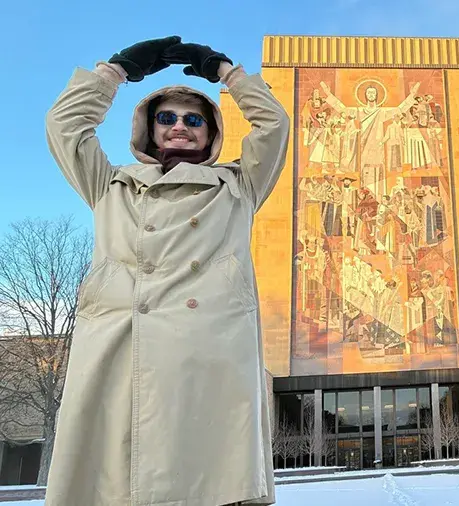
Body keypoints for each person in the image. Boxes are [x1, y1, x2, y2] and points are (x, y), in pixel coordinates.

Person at [44, 36, 290, 506]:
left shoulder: (239, 186)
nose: (180, 127)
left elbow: (274, 123)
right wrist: (115, 72)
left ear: (211, 131)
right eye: (167, 118)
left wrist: (226, 74)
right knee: (117, 482)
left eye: (193, 119)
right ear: (149, 129)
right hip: (121, 352)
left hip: (208, 362)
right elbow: (65, 125)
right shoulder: (110, 184)